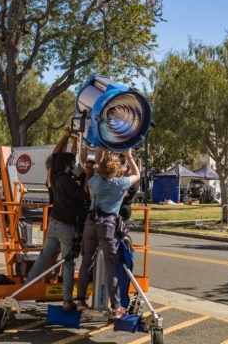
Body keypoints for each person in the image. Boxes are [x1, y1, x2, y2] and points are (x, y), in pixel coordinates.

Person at [76, 149, 140, 319]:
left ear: (101, 169)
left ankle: (80, 299)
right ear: (116, 170)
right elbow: (137, 175)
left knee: (86, 261)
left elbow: (96, 164)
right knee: (111, 265)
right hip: (108, 225)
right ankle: (116, 307)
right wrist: (129, 156)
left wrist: (101, 148)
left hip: (90, 223)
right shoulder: (120, 184)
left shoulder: (94, 181)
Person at [26, 132, 86, 312]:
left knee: (46, 255)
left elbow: (66, 158)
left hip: (54, 221)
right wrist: (71, 140)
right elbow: (60, 155)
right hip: (65, 224)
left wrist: (73, 140)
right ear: (66, 166)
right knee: (67, 262)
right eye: (72, 164)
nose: (75, 165)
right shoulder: (60, 177)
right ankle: (67, 300)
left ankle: (27, 286)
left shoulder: (57, 177)